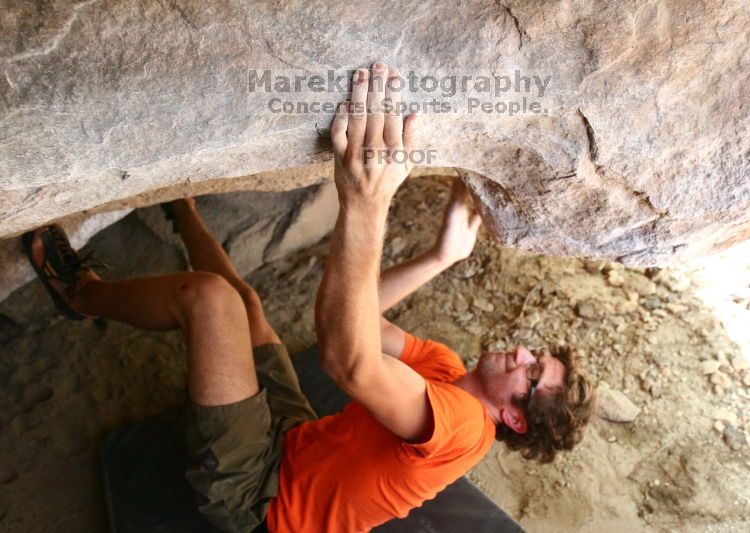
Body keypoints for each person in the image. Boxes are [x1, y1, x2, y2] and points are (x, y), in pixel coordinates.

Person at [23, 63, 595, 533]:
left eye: (532, 372)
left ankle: (80, 292)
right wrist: (439, 258)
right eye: (535, 353)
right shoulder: (447, 371)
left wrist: (366, 204)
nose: (522, 353)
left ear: (514, 420)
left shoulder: (465, 426)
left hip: (259, 500)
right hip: (295, 440)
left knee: (210, 300)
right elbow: (358, 315)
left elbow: (347, 361)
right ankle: (184, 209)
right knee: (246, 306)